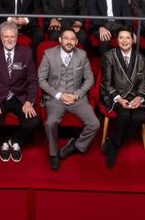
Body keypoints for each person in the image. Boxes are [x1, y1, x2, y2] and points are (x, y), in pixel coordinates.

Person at [38, 29, 99, 171]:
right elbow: (41, 79)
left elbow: (90, 78)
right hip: (56, 97)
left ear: (76, 42)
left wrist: (77, 94)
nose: (69, 41)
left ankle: (76, 145)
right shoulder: (48, 54)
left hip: (76, 97)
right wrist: (59, 95)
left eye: (72, 39)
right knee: (50, 122)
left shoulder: (82, 55)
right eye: (66, 38)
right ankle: (53, 154)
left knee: (95, 124)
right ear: (60, 40)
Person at [0, 22, 40, 162]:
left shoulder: (26, 52)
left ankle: (15, 142)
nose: (9, 40)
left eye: (12, 37)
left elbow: (32, 80)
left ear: (17, 37)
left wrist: (29, 101)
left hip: (19, 96)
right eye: (6, 36)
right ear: (1, 37)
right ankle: (3, 142)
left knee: (33, 123)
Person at [98, 28, 145, 168]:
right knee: (124, 115)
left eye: (127, 38)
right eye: (121, 37)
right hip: (115, 95)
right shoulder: (109, 56)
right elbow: (106, 83)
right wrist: (119, 99)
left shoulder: (141, 58)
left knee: (139, 117)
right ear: (116, 40)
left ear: (133, 40)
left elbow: (144, 82)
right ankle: (114, 148)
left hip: (134, 96)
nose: (124, 41)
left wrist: (139, 98)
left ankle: (113, 141)